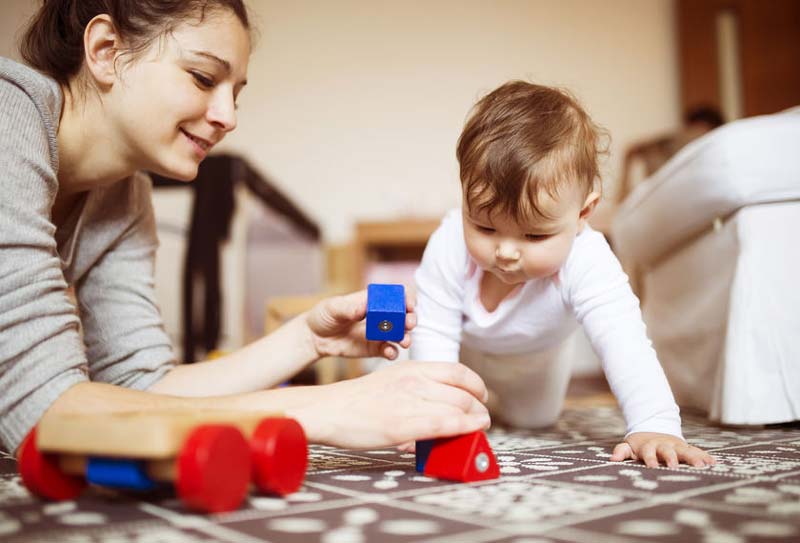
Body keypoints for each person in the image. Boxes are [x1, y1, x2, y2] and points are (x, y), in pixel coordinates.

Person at [0, 0, 490, 456]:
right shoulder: (8, 114)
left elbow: (140, 389)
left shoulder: (126, 196)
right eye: (201, 77)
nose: (228, 116)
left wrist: (308, 340)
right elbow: (44, 411)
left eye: (235, 93)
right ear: (107, 51)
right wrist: (324, 408)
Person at [410, 81, 715, 468]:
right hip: (462, 350)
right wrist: (431, 414)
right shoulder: (449, 240)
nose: (505, 252)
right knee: (428, 383)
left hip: (537, 359)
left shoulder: (587, 256)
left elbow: (623, 339)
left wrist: (655, 423)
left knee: (533, 420)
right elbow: (434, 332)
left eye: (534, 235)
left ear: (583, 213)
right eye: (485, 228)